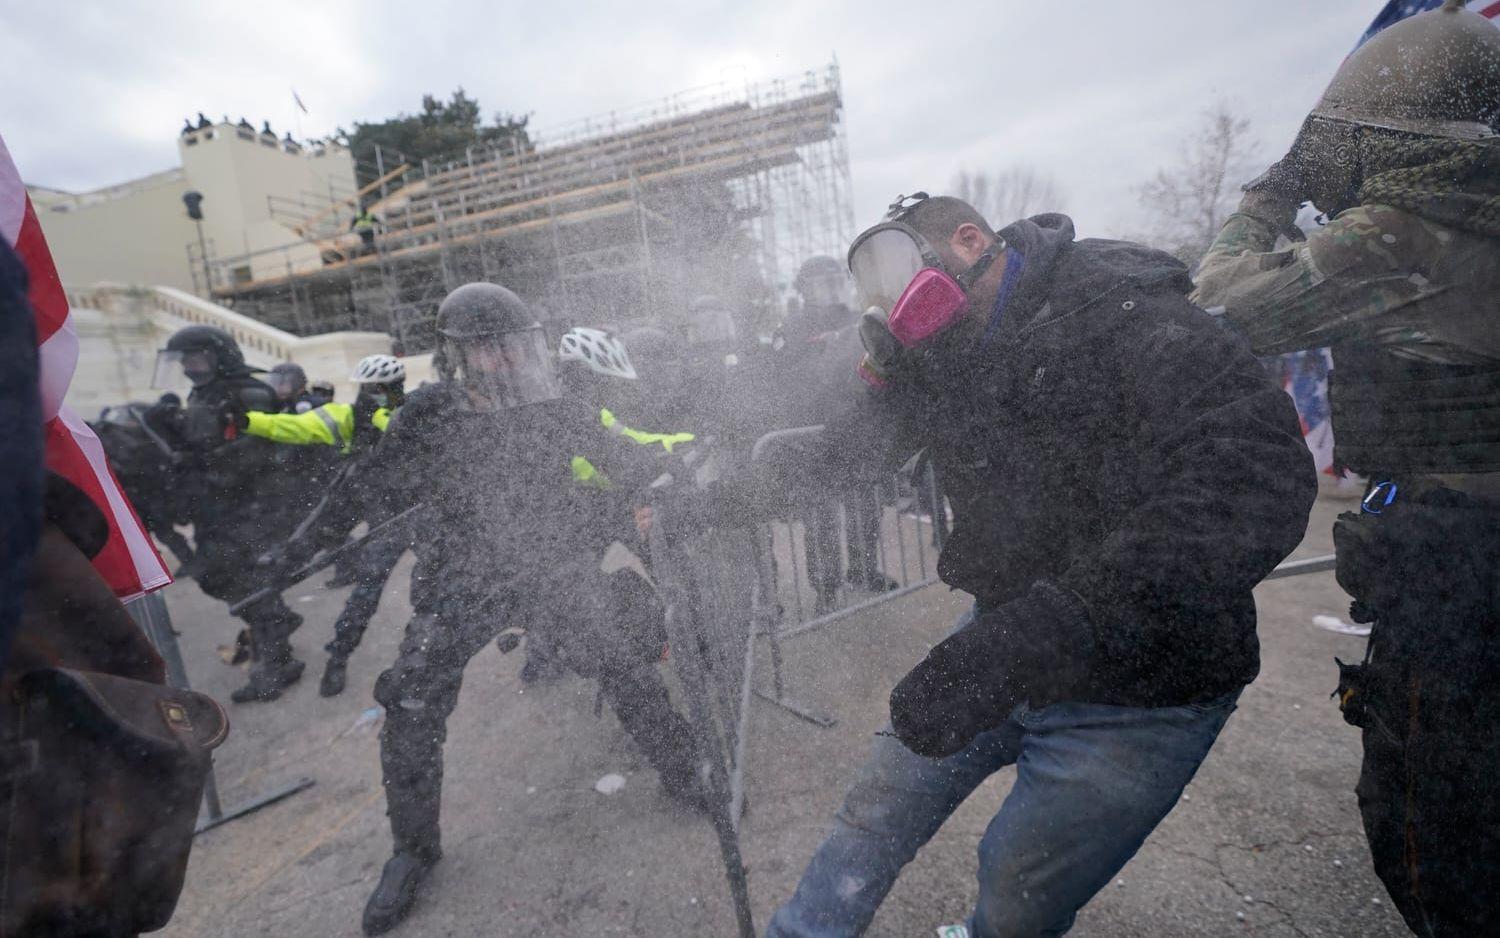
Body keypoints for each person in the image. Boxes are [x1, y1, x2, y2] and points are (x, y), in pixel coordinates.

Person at [764, 193, 1317, 938]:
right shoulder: (946, 354)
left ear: (970, 241)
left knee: (1018, 889)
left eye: (901, 274)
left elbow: (1254, 476)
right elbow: (847, 453)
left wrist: (1050, 627)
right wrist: (718, 499)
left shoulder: (1125, 312)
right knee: (876, 809)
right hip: (1006, 637)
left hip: (1142, 688)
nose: (898, 310)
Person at [1190, 5, 1500, 933]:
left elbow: (1220, 307)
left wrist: (1268, 195)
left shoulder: (1405, 235)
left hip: (1464, 570)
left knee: (1436, 833)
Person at [360, 283, 705, 935]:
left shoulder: (556, 405)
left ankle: (689, 775)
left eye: (516, 346)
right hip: (461, 577)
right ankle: (412, 850)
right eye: (489, 349)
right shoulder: (428, 413)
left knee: (623, 663)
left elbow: (622, 456)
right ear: (458, 354)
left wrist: (669, 478)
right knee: (409, 699)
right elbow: (377, 484)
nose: (506, 360)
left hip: (550, 564)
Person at [233, 353, 409, 696]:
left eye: (381, 390)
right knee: (333, 558)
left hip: (401, 507)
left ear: (395, 389)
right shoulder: (345, 414)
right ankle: (334, 653)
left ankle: (337, 653)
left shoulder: (410, 414)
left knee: (391, 582)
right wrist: (248, 421)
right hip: (359, 494)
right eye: (368, 389)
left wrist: (388, 419)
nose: (372, 396)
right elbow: (296, 427)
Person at [151, 325, 307, 703]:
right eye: (183, 361)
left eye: (195, 358)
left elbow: (256, 452)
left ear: (219, 355)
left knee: (251, 582)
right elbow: (202, 440)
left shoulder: (249, 392)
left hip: (252, 506)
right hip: (217, 508)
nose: (188, 367)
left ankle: (275, 660)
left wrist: (199, 462)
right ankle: (276, 622)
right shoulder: (204, 393)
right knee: (212, 576)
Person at [785, 256, 897, 609]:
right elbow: (786, 378)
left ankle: (863, 570)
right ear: (804, 290)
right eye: (821, 284)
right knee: (820, 519)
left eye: (835, 283)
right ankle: (826, 588)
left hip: (856, 429)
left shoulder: (856, 319)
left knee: (866, 507)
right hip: (814, 435)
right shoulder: (792, 328)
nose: (830, 292)